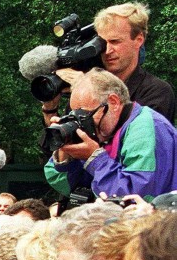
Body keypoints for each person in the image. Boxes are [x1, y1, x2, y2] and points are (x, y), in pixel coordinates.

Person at [45, 69, 177, 199]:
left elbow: (134, 197)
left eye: (85, 115)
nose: (82, 122)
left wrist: (95, 159)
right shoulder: (111, 131)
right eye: (75, 115)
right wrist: (66, 154)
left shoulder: (145, 127)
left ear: (113, 102)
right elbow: (68, 186)